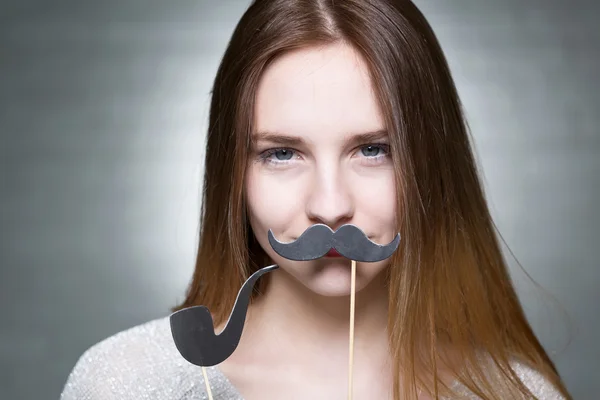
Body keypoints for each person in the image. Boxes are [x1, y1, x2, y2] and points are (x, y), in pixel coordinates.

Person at [60, 0, 573, 399]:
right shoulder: (121, 384)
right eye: (282, 153)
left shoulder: (517, 393)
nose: (329, 206)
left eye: (373, 150)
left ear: (431, 165)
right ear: (231, 173)